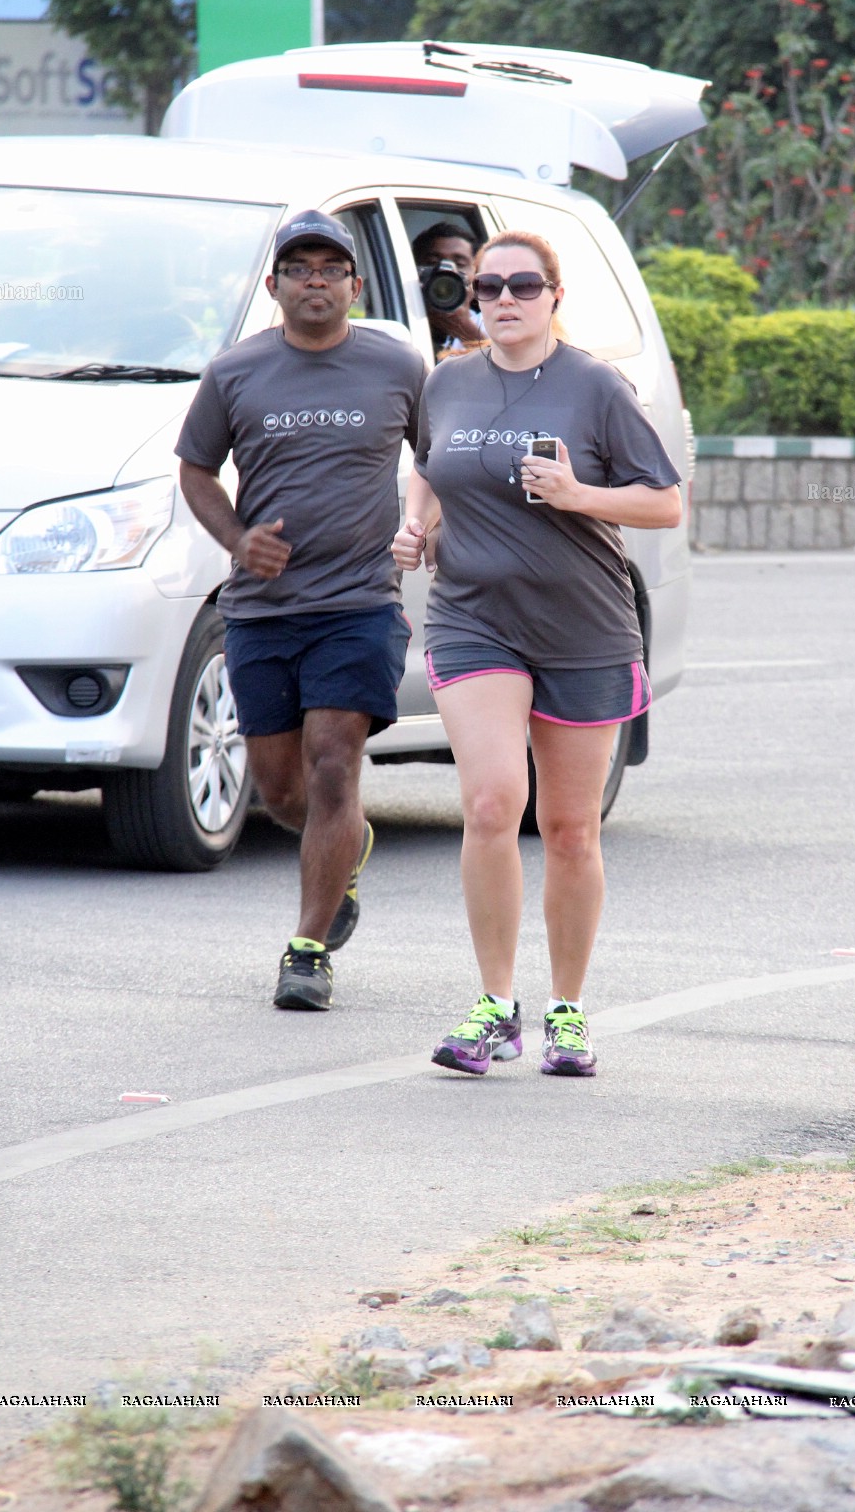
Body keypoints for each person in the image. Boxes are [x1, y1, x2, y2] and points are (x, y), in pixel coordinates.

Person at [391, 231, 683, 1076]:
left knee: (567, 829)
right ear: (473, 297)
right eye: (488, 286)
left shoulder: (595, 386)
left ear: (555, 295)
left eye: (524, 285)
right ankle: (493, 1009)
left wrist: (579, 495)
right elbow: (429, 463)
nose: (505, 299)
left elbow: (664, 503)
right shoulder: (447, 382)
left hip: (583, 625)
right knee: (490, 804)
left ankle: (568, 1011)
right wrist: (420, 527)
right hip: (473, 617)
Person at [177, 210, 425, 1011]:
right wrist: (239, 541)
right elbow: (195, 472)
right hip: (261, 611)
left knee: (330, 765)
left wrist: (428, 525)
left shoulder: (396, 367)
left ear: (356, 285)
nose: (315, 278)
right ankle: (346, 850)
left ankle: (308, 951)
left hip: (358, 604)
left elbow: (442, 455)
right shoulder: (236, 372)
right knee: (281, 789)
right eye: (300, 267)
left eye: (331, 267)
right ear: (276, 286)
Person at [411, 221, 483, 356]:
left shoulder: (491, 325)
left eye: (460, 264)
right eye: (432, 263)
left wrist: (464, 328)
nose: (447, 272)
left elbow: (510, 370)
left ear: (476, 278)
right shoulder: (399, 316)